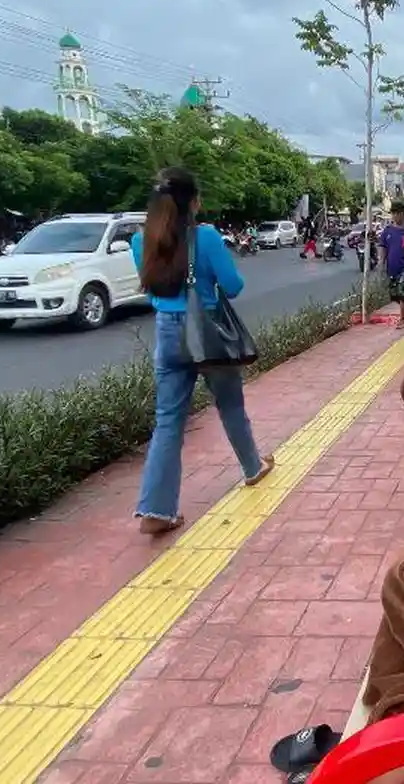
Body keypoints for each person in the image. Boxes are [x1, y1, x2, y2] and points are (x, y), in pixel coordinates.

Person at [130, 167, 273, 535]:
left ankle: (155, 510)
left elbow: (153, 292)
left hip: (166, 332)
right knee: (230, 404)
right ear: (192, 202)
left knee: (167, 420)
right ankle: (252, 467)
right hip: (208, 332)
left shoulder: (140, 240)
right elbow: (234, 285)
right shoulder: (206, 237)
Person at [381, 202, 404, 328]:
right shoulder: (387, 231)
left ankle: (403, 319)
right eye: (393, 214)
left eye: (398, 214)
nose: (395, 216)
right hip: (391, 268)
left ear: (403, 214)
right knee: (395, 296)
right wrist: (381, 262)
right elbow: (383, 247)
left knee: (402, 294)